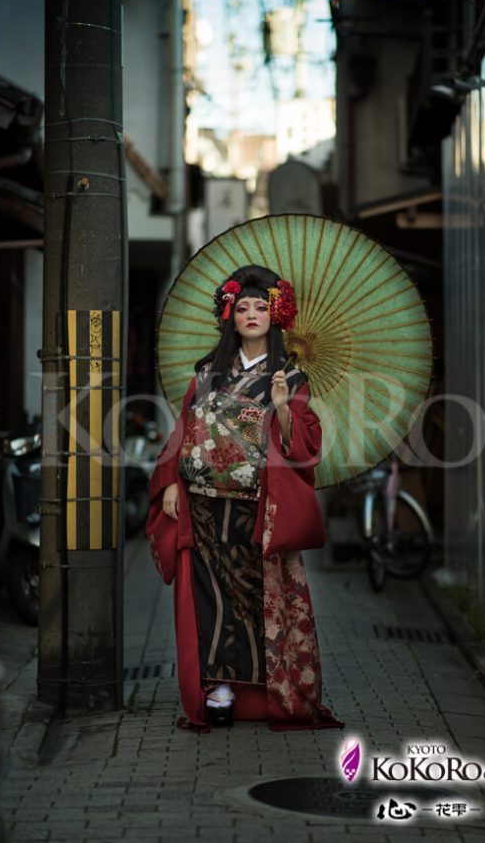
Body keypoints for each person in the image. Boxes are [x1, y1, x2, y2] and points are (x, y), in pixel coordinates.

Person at [146, 264, 342, 733]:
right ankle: (219, 689)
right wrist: (172, 481)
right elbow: (183, 433)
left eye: (261, 307)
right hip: (205, 503)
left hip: (257, 506)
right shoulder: (208, 374)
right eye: (242, 307)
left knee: (257, 596)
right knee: (210, 593)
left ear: (275, 318)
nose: (251, 314)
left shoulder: (290, 378)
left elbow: (306, 446)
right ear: (229, 316)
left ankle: (265, 687)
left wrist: (280, 408)